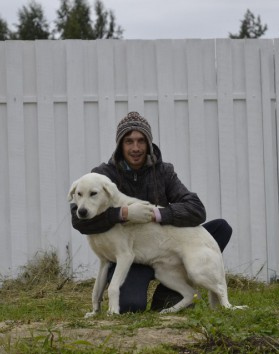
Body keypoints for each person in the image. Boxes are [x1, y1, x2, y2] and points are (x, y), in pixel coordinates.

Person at [70, 111, 232, 313]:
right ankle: (165, 289)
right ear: (120, 145)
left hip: (164, 247)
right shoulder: (103, 175)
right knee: (130, 306)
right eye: (129, 141)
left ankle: (170, 289)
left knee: (220, 228)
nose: (135, 148)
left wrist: (157, 215)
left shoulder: (164, 171)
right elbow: (79, 222)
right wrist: (123, 214)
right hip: (132, 256)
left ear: (148, 144)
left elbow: (196, 209)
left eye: (141, 141)